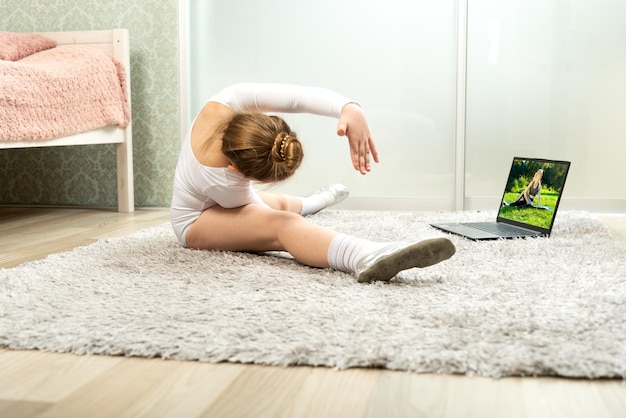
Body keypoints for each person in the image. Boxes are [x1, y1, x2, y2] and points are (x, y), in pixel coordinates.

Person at [170, 83, 455, 283]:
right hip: (194, 221)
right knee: (282, 223)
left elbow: (297, 97)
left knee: (281, 202)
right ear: (237, 169)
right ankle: (365, 254)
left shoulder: (227, 99)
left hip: (210, 197)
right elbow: (269, 219)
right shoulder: (223, 180)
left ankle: (318, 200)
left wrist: (348, 107)